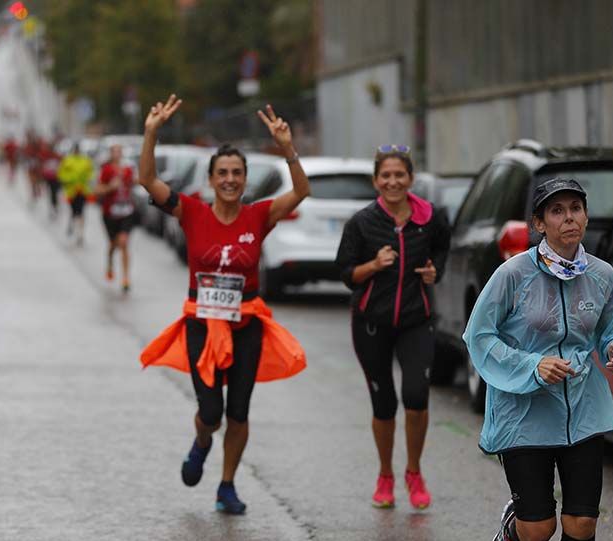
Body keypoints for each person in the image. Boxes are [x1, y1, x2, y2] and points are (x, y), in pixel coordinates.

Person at [463, 178, 613, 541]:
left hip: (582, 412)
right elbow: (479, 337)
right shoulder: (513, 275)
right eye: (556, 211)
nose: (569, 219)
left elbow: (612, 328)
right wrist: (530, 366)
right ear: (539, 223)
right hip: (524, 415)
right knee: (541, 531)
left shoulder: (601, 275)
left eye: (576, 209)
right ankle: (516, 528)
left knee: (582, 523)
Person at [139, 95, 309, 515]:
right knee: (211, 412)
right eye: (222, 173)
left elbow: (303, 191)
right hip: (202, 323)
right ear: (212, 180)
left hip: (246, 324)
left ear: (244, 179)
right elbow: (147, 181)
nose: (230, 179)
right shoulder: (192, 212)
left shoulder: (259, 216)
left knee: (238, 412)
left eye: (236, 173)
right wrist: (151, 133)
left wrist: (288, 150)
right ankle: (200, 442)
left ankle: (227, 485)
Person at [335, 145, 450, 511]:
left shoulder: (431, 218)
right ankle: (385, 474)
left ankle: (413, 472)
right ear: (375, 181)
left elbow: (442, 250)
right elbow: (345, 275)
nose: (393, 181)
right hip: (371, 324)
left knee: (416, 397)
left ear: (411, 179)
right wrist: (374, 264)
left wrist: (435, 272)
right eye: (385, 175)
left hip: (417, 321)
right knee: (384, 404)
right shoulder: (362, 223)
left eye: (399, 174)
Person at [95, 145, 137, 291]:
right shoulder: (106, 170)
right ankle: (110, 262)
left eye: (120, 151)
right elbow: (98, 190)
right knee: (113, 244)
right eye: (115, 151)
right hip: (110, 213)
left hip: (126, 212)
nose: (118, 154)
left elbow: (135, 183)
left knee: (124, 242)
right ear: (111, 154)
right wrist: (110, 187)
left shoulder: (128, 170)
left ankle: (126, 278)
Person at [59, 143, 94, 244]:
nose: (77, 152)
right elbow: (61, 174)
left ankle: (80, 233)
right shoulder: (67, 161)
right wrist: (70, 180)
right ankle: (74, 227)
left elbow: (91, 173)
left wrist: (86, 180)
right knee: (73, 211)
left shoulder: (85, 161)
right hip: (71, 191)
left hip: (82, 190)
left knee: (81, 212)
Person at [38, 139, 62, 220]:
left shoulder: (57, 156)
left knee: (54, 193)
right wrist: (42, 177)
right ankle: (53, 207)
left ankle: (55, 207)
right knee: (50, 193)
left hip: (56, 178)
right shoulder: (45, 155)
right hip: (48, 178)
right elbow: (42, 166)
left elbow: (62, 165)